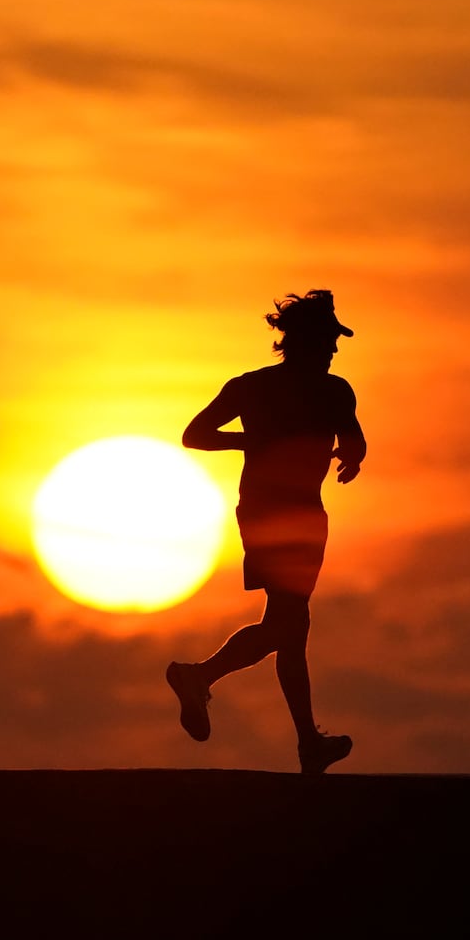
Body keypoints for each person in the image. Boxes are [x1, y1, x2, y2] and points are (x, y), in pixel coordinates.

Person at [167, 289, 367, 774]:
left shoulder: (334, 390)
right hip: (271, 512)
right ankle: (201, 675)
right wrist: (249, 439)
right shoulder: (252, 387)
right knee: (290, 623)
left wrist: (351, 458)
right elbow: (194, 435)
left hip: (300, 513)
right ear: (303, 340)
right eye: (328, 340)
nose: (334, 350)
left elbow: (355, 439)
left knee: (291, 627)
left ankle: (306, 743)